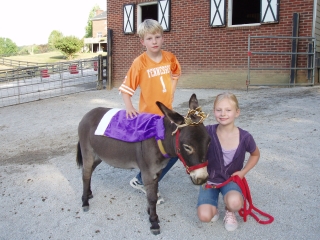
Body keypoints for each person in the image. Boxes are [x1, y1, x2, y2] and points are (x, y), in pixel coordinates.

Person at [119, 19, 181, 204]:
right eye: (149, 38)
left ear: (163, 38)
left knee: (174, 152)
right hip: (150, 118)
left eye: (157, 37)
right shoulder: (140, 63)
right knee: (156, 153)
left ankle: (141, 179)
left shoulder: (170, 57)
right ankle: (146, 182)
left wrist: (171, 91)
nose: (154, 41)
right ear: (142, 42)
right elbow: (125, 88)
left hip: (167, 115)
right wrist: (129, 107)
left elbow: (176, 74)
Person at [197, 92, 260, 231]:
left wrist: (243, 172)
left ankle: (229, 210)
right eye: (219, 110)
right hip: (210, 181)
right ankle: (213, 208)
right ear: (214, 112)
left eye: (228, 110)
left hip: (231, 180)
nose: (223, 114)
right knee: (204, 216)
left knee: (235, 202)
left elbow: (255, 155)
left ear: (237, 112)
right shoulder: (206, 132)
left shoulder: (245, 137)